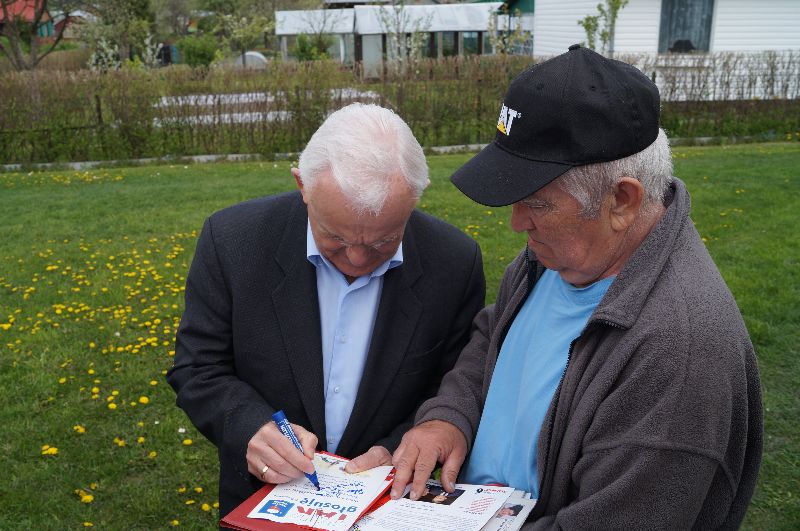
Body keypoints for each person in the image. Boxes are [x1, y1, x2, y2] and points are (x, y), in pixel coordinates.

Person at [390, 45, 763, 529]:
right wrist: (447, 416)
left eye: (536, 203)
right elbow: (493, 337)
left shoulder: (680, 353)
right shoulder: (563, 254)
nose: (516, 223)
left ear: (622, 200)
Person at [167, 103, 486, 517]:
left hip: (389, 505)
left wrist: (396, 446)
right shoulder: (234, 241)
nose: (357, 259)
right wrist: (249, 426)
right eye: (335, 237)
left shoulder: (454, 262)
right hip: (265, 502)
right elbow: (198, 366)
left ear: (413, 199)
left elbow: (453, 384)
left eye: (383, 242)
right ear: (303, 186)